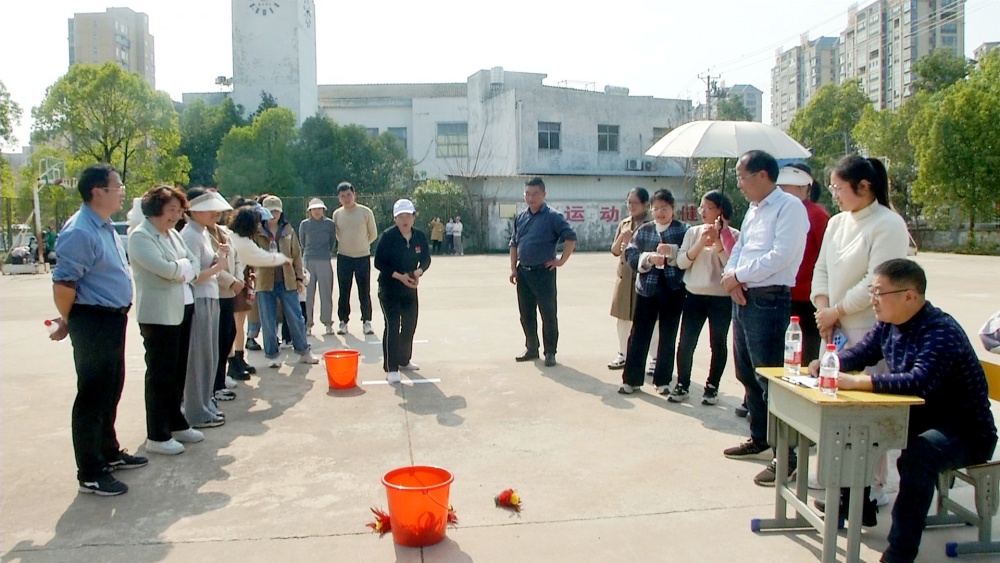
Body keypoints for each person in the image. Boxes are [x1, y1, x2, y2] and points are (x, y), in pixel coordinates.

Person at [807, 259, 997, 563]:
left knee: (918, 456)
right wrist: (830, 363)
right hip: (919, 421)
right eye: (872, 291)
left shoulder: (940, 330)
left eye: (879, 293)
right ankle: (856, 504)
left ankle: (900, 554)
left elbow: (919, 382)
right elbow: (863, 352)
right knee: (856, 430)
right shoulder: (888, 324)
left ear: (910, 296)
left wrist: (858, 382)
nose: (873, 300)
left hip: (965, 432)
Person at [800, 155, 912, 495]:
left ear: (864, 186)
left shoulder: (888, 224)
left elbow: (875, 283)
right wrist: (823, 310)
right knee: (833, 408)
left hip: (867, 330)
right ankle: (835, 479)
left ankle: (871, 486)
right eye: (832, 187)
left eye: (838, 187)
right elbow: (821, 269)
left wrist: (837, 310)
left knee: (865, 414)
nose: (833, 193)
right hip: (832, 329)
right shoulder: (837, 223)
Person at [50, 163, 145, 497]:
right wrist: (69, 319)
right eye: (117, 187)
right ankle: (90, 472)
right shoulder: (80, 231)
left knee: (111, 387)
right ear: (97, 192)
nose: (122, 192)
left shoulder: (102, 226)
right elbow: (64, 284)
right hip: (93, 320)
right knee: (92, 394)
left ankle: (108, 450)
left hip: (111, 318)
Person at [721, 150, 808, 462]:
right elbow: (740, 249)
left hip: (769, 300)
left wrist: (739, 276)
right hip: (744, 298)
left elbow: (781, 256)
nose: (739, 184)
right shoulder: (754, 209)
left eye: (742, 177)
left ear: (762, 175)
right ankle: (759, 437)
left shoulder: (789, 207)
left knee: (770, 378)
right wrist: (731, 277)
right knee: (746, 373)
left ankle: (787, 456)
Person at [129, 185, 206, 457]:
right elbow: (167, 270)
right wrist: (181, 268)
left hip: (182, 307)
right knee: (160, 374)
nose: (176, 215)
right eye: (171, 209)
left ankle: (176, 422)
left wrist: (183, 268)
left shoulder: (173, 234)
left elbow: (194, 263)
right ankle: (158, 434)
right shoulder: (141, 236)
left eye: (179, 210)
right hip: (158, 314)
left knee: (177, 370)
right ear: (155, 208)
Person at [618, 189, 688, 394]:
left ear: (673, 209)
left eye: (664, 208)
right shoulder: (645, 229)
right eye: (656, 208)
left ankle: (663, 380)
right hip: (647, 289)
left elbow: (689, 255)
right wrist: (648, 258)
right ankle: (631, 380)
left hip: (673, 289)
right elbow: (631, 253)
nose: (660, 213)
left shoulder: (683, 230)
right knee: (639, 334)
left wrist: (672, 252)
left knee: (668, 335)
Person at [673, 190, 739, 404]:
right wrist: (701, 243)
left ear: (720, 210)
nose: (703, 211)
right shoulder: (693, 232)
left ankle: (712, 386)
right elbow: (681, 262)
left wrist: (719, 243)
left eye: (708, 207)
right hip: (694, 295)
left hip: (721, 298)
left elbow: (732, 266)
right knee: (686, 342)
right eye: (701, 206)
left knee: (718, 343)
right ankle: (682, 384)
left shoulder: (734, 235)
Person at [509, 177, 577, 367]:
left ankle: (550, 352)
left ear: (544, 194)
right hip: (524, 272)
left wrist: (561, 261)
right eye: (527, 194)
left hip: (544, 272)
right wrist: (513, 268)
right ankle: (532, 347)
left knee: (548, 314)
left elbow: (570, 238)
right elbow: (514, 243)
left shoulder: (553, 217)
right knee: (526, 314)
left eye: (535, 194)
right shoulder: (521, 217)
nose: (531, 198)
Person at [180, 188, 232, 429]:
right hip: (199, 298)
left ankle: (205, 403)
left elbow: (204, 266)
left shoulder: (201, 233)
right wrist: (218, 266)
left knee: (209, 355)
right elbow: (192, 275)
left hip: (210, 296)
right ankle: (196, 410)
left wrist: (218, 258)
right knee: (199, 358)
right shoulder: (190, 235)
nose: (216, 213)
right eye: (210, 209)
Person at [254, 195, 318, 368]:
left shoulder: (288, 230)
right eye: (270, 211)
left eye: (276, 211)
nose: (273, 214)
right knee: (268, 319)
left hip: (287, 280)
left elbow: (296, 255)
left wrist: (299, 278)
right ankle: (272, 355)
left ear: (281, 212)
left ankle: (303, 351)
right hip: (264, 281)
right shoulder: (256, 232)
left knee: (296, 317)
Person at [374, 199, 432, 383]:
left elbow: (426, 259)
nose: (405, 219)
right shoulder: (388, 236)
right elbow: (378, 262)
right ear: (395, 219)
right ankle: (391, 368)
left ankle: (404, 360)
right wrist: (400, 276)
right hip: (389, 288)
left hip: (410, 288)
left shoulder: (419, 236)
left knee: (409, 325)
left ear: (414, 217)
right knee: (392, 324)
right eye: (401, 216)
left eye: (408, 215)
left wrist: (418, 272)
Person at [777, 164, 829, 366]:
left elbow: (826, 256)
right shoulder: (779, 212)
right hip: (780, 293)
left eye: (787, 184)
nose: (782, 188)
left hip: (807, 298)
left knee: (805, 357)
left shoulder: (817, 215)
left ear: (804, 186)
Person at [608, 188, 654, 371]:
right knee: (623, 318)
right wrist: (622, 237)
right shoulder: (625, 223)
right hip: (625, 277)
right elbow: (614, 250)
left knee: (650, 319)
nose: (632, 206)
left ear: (645, 204)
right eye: (629, 202)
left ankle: (654, 358)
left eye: (636, 203)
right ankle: (623, 354)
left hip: (646, 276)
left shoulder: (652, 223)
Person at [332, 182, 378, 335]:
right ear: (339, 198)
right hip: (343, 257)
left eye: (349, 195)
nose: (346, 199)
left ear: (354, 195)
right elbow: (336, 234)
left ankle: (367, 321)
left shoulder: (365, 212)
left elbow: (373, 234)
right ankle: (343, 321)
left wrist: (362, 245)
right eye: (343, 196)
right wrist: (346, 245)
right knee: (344, 290)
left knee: (364, 290)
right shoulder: (337, 214)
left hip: (362, 256)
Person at [299, 198, 336, 335]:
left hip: (324, 259)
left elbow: (332, 241)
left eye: (319, 209)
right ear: (310, 211)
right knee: (308, 293)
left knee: (326, 292)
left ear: (323, 210)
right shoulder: (305, 224)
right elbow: (302, 242)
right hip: (309, 259)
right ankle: (307, 324)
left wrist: (327, 253)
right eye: (314, 209)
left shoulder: (329, 224)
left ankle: (327, 322)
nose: (317, 211)